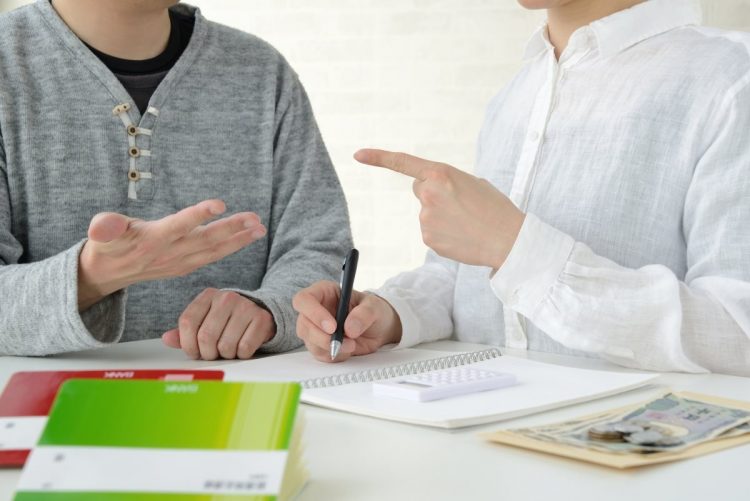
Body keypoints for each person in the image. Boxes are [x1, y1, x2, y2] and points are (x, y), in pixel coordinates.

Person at [294, 0, 750, 376]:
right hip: (483, 442)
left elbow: (737, 332)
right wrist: (388, 315)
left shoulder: (731, 80)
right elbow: (468, 281)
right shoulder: (518, 91)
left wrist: (517, 249)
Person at [0, 0, 352, 359]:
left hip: (239, 395)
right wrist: (90, 277)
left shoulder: (262, 72)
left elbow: (319, 245)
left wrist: (271, 310)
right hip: (47, 406)